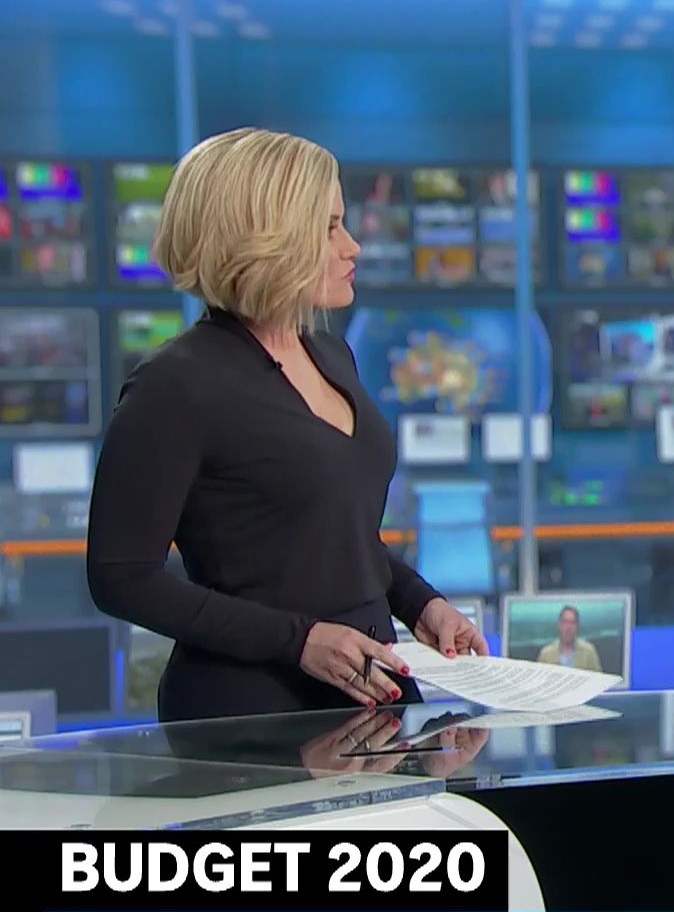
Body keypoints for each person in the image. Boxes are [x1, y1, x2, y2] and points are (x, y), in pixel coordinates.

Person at [86, 127, 488, 723]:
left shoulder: (331, 356)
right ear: (267, 239)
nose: (353, 247)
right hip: (250, 716)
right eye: (329, 228)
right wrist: (299, 641)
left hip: (373, 693)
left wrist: (420, 603)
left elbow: (337, 538)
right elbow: (122, 577)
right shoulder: (175, 385)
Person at [535, 605, 603, 671]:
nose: (568, 628)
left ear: (577, 626)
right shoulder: (546, 654)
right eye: (565, 622)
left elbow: (598, 677)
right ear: (559, 625)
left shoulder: (589, 652)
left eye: (572, 623)